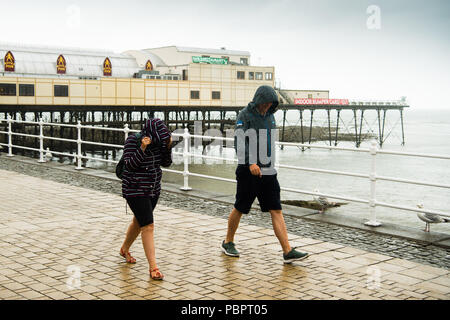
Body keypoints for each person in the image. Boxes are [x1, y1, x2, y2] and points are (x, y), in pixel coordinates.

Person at [221, 85, 309, 264]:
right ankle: (228, 242)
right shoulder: (244, 115)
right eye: (265, 103)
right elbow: (239, 141)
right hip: (248, 171)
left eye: (271, 104)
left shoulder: (271, 117)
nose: (267, 107)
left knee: (276, 209)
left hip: (269, 171)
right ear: (259, 100)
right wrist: (251, 162)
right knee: (240, 207)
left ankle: (287, 251)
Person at [119, 118, 172, 280]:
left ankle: (124, 249)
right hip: (134, 188)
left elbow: (166, 163)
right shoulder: (132, 141)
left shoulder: (160, 144)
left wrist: (167, 148)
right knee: (148, 225)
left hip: (153, 189)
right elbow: (129, 165)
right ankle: (153, 268)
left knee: (139, 221)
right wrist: (142, 147)